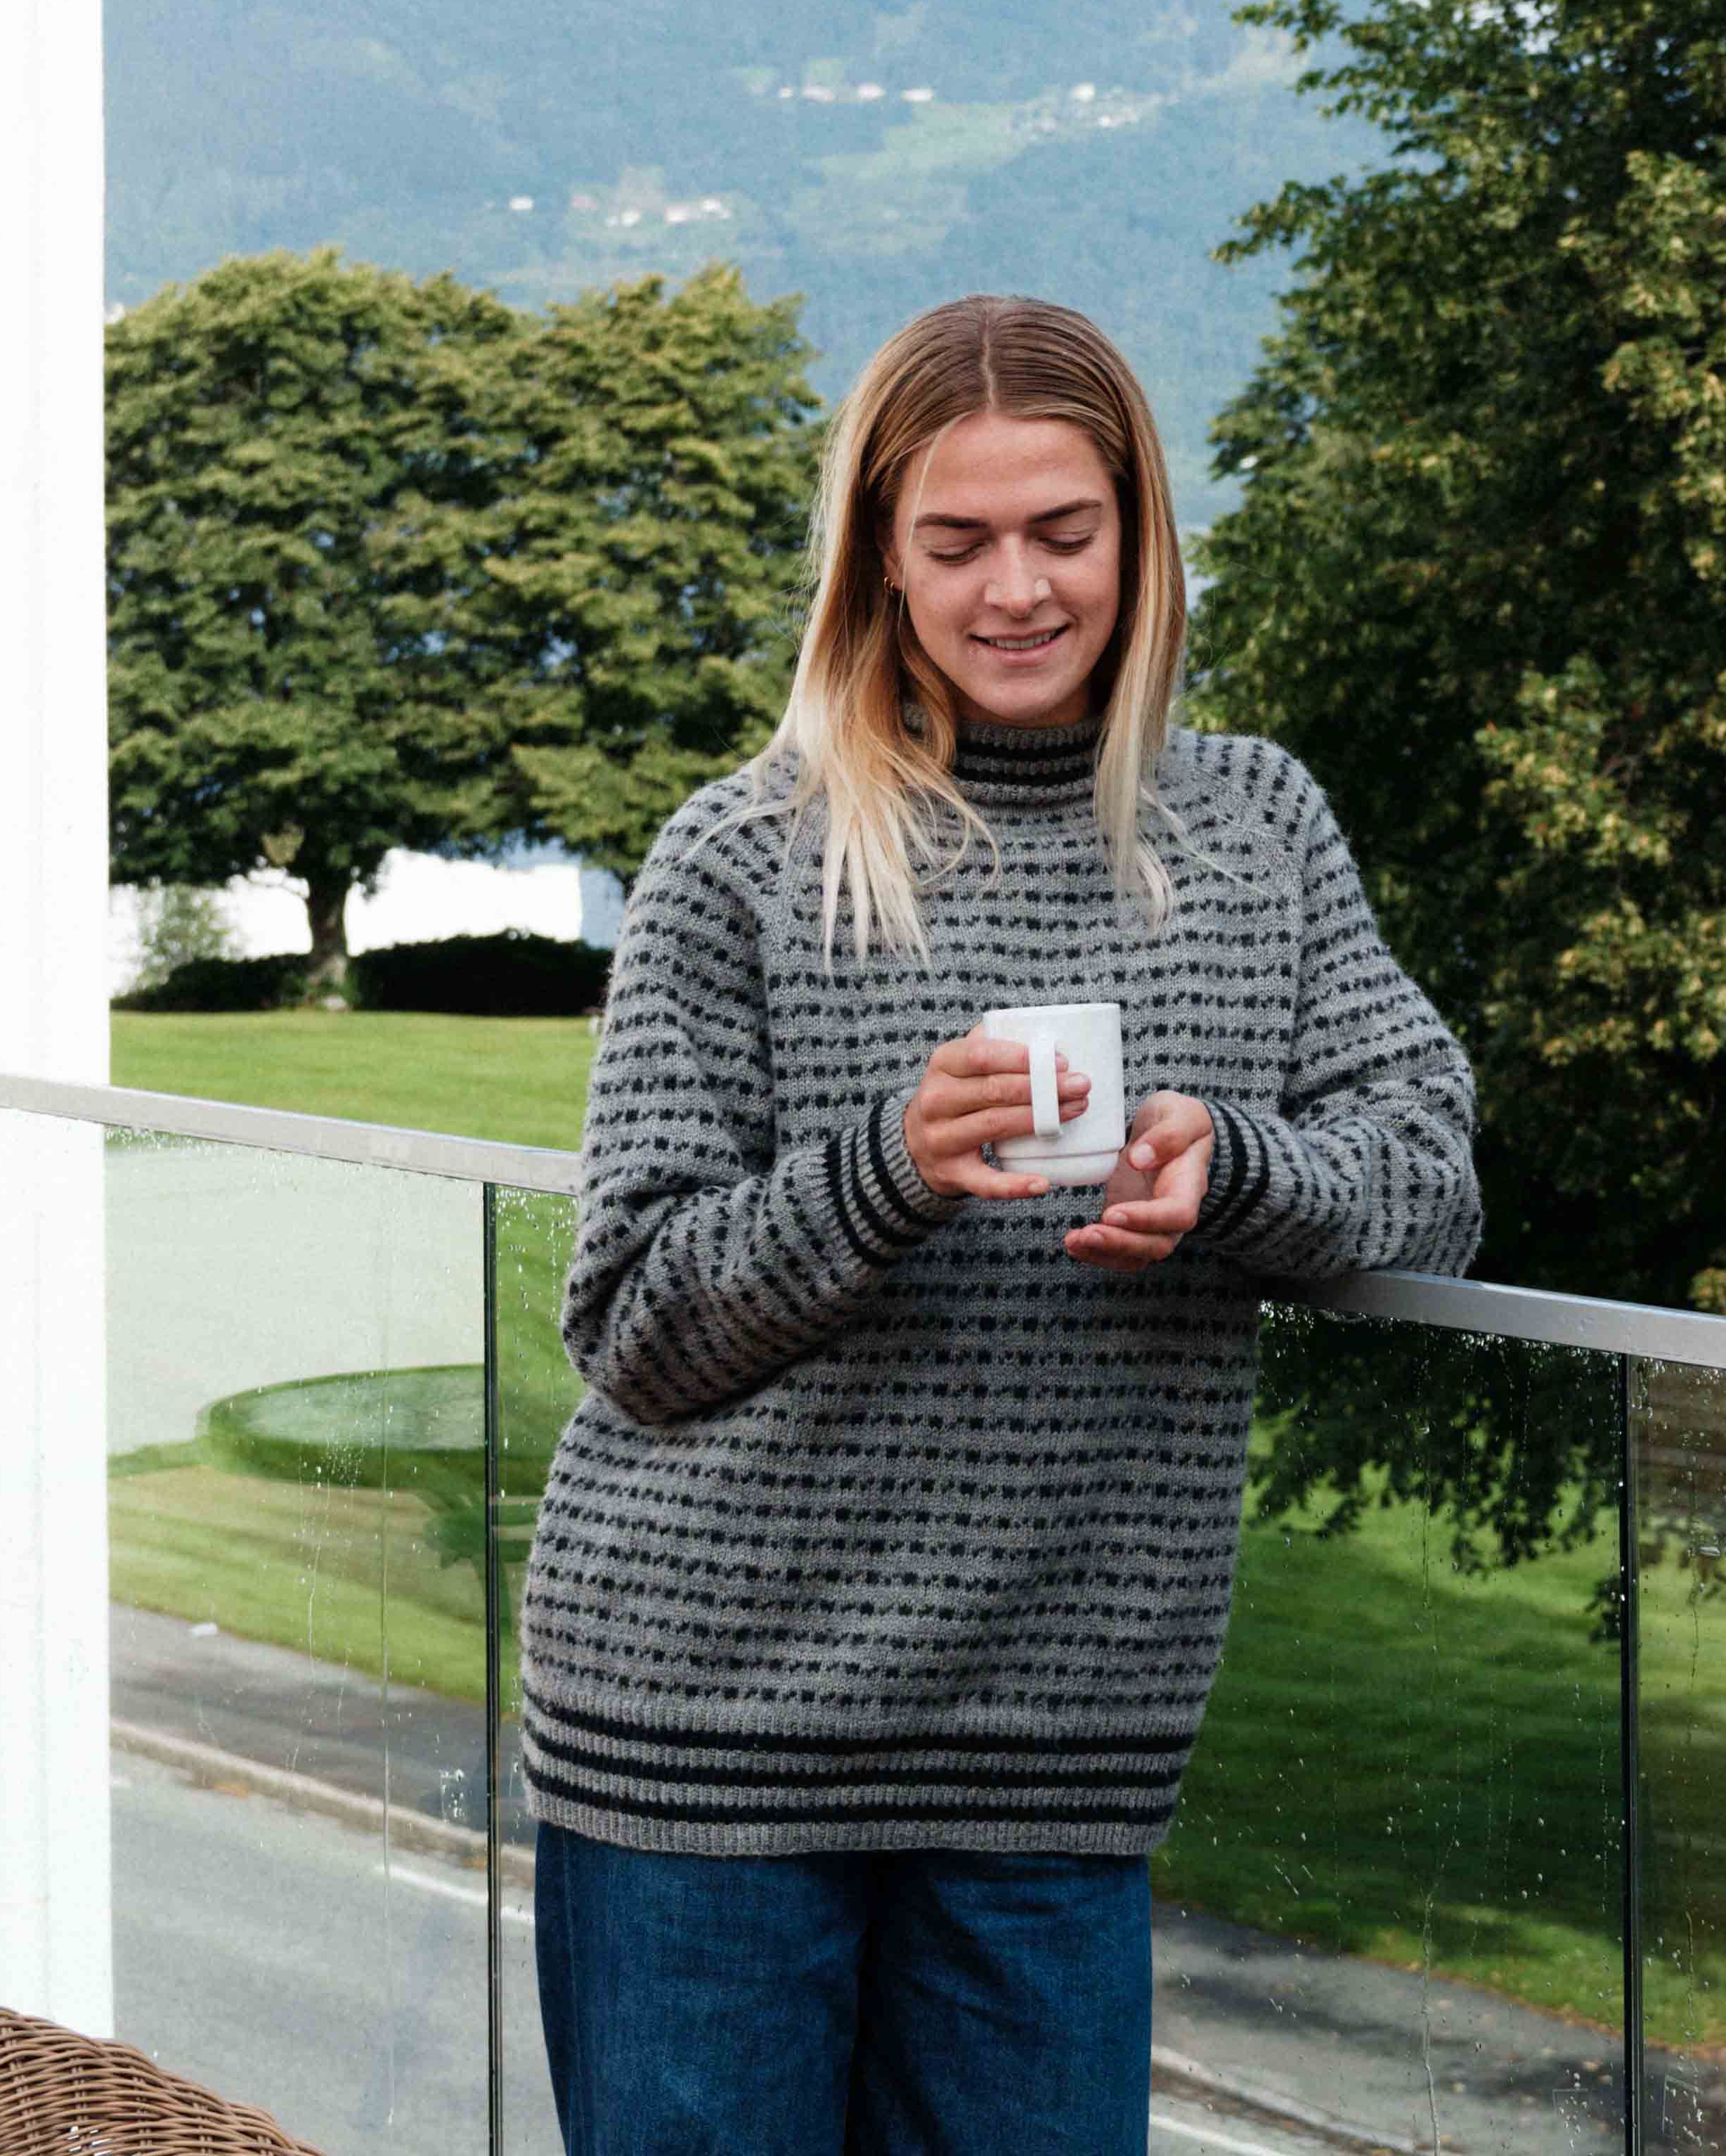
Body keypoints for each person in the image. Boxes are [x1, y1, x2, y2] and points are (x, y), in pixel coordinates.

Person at [520, 292, 1480, 2156]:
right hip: (703, 1738)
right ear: (877, 562)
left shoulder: (1257, 829)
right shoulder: (746, 851)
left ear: (1140, 536)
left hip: (1056, 1744)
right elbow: (632, 1319)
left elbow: (1428, 1180)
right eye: (955, 542)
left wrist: (1242, 1178)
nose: (1016, 590)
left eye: (1064, 533)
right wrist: (884, 1170)